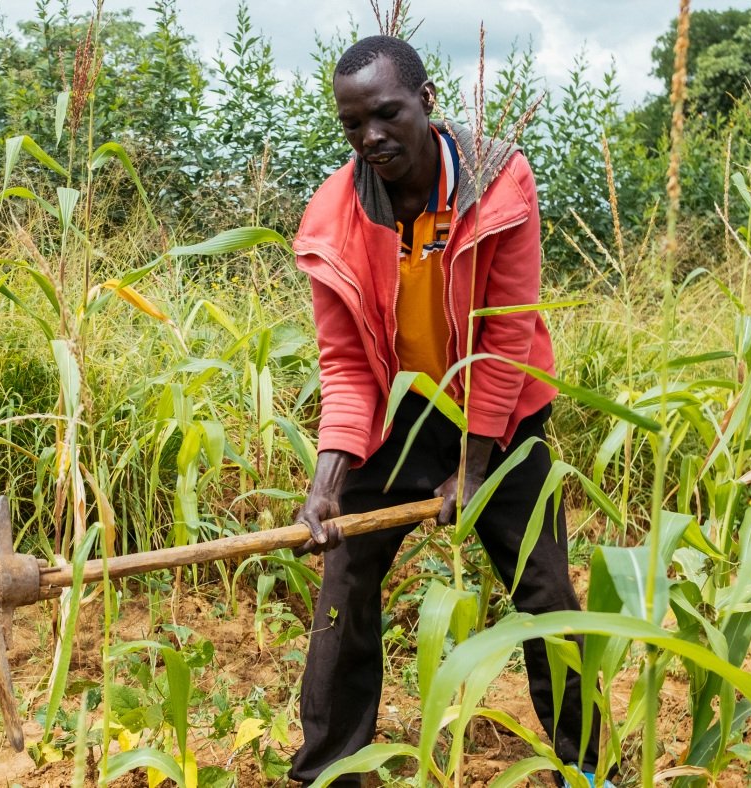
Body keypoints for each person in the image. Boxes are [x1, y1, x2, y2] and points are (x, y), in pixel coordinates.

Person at [286, 35, 610, 788]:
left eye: (387, 114)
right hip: (398, 417)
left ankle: (588, 769)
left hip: (502, 413)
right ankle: (329, 772)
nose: (371, 138)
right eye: (353, 124)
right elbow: (346, 366)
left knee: (543, 588)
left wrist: (473, 466)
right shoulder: (333, 218)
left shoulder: (498, 184)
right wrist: (328, 478)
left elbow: (506, 339)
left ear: (427, 102)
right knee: (345, 584)